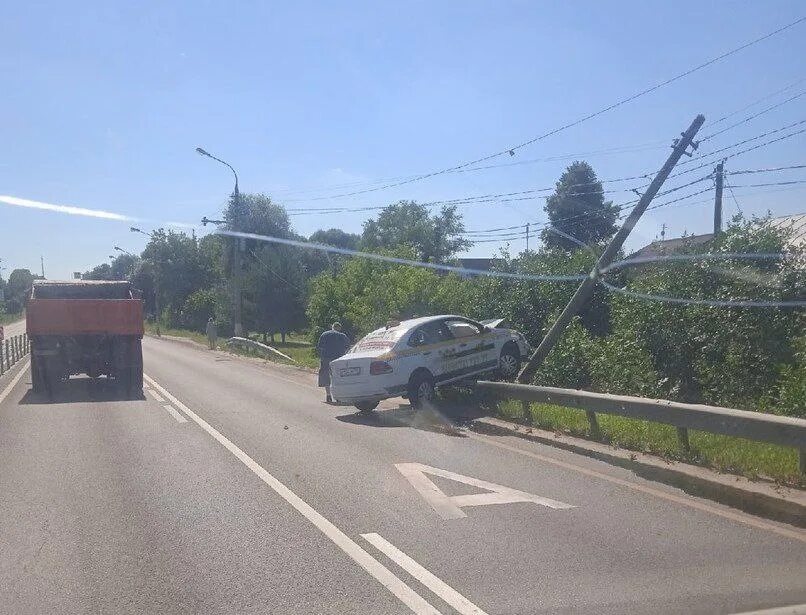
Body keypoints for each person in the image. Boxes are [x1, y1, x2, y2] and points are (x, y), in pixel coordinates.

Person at [317, 322, 350, 403]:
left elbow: (319, 346)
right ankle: (338, 396)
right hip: (338, 358)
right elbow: (347, 347)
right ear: (339, 328)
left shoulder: (324, 334)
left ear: (332, 327)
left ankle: (328, 395)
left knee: (325, 375)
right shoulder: (342, 336)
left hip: (326, 358)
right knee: (337, 376)